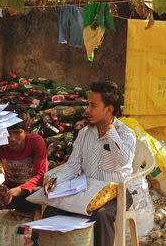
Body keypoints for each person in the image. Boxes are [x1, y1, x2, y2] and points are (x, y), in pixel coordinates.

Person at [43, 80, 136, 246]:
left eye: (93, 105)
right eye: (88, 105)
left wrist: (111, 133)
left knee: (101, 214)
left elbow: (124, 160)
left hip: (117, 193)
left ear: (109, 109)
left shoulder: (126, 133)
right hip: (86, 191)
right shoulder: (86, 133)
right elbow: (73, 165)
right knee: (51, 209)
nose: (87, 110)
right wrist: (56, 180)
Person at [0, 110, 48, 213]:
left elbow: (41, 175)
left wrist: (17, 191)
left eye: (17, 132)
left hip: (30, 189)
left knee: (40, 195)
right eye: (7, 132)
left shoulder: (36, 142)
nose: (12, 138)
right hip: (9, 188)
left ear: (28, 131)